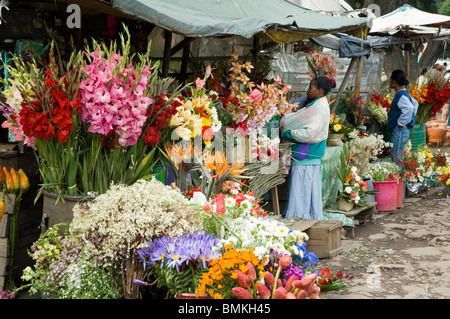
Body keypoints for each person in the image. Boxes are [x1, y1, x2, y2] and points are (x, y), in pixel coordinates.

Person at [280, 76, 335, 220]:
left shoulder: (318, 107)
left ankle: (299, 222)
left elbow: (308, 134)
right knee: (306, 195)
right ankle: (307, 220)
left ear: (320, 90)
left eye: (310, 87)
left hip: (306, 157)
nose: (307, 90)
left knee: (301, 195)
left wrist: (287, 132)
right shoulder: (319, 104)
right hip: (309, 157)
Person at [387, 70, 418, 168]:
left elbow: (410, 108)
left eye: (390, 79)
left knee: (397, 160)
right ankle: (400, 182)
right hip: (402, 130)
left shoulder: (400, 95)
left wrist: (401, 122)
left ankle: (399, 182)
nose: (390, 82)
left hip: (400, 130)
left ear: (394, 81)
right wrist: (410, 118)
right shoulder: (404, 93)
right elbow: (415, 104)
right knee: (399, 158)